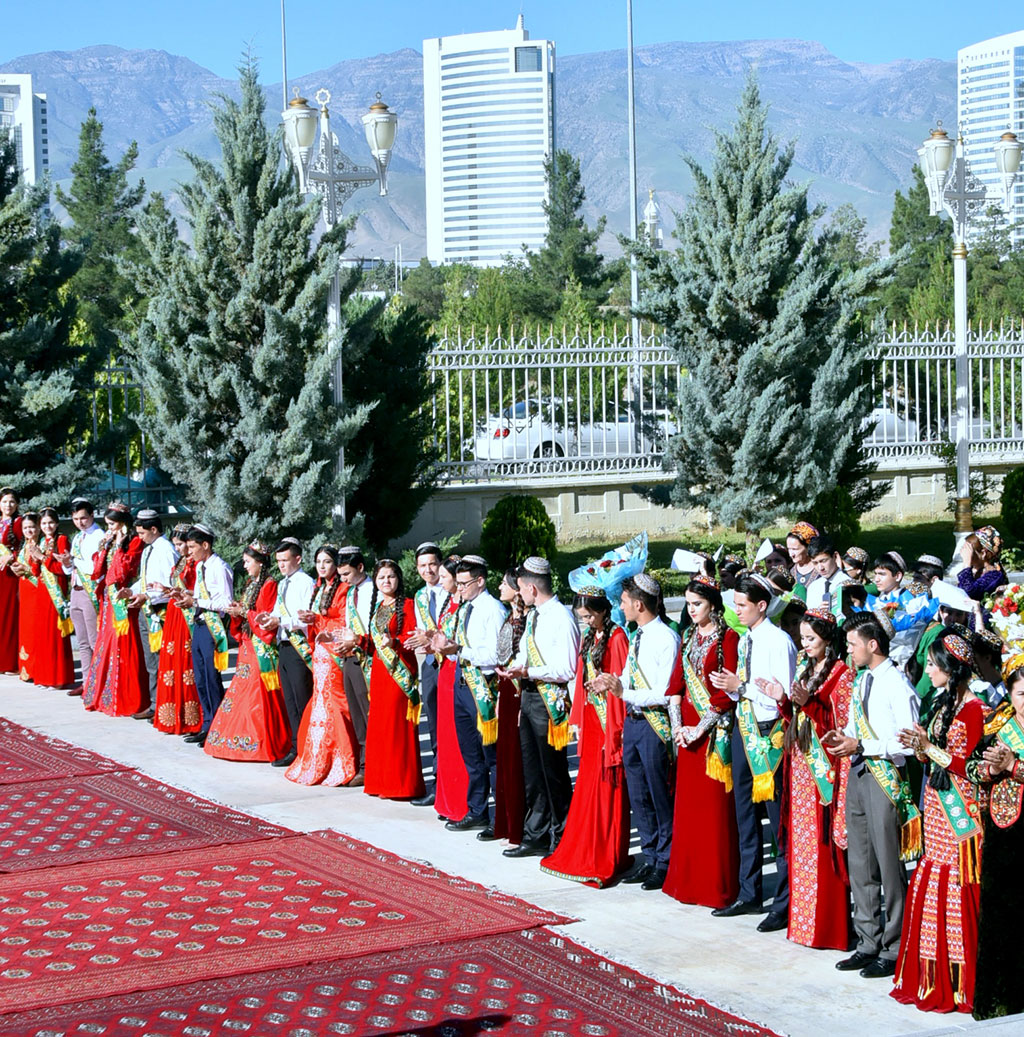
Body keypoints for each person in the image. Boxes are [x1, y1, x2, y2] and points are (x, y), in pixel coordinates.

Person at [823, 610, 920, 980]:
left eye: (853, 644)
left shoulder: (897, 684)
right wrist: (843, 737)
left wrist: (864, 744)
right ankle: (867, 940)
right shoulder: (862, 680)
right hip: (859, 772)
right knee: (860, 862)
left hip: (885, 777)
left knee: (888, 865)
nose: (849, 650)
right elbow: (854, 726)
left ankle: (894, 946)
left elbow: (909, 742)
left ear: (873, 644)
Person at [891, 630, 984, 1013]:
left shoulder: (976, 710)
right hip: (936, 807)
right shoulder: (942, 703)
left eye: (932, 664)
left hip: (960, 814)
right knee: (933, 883)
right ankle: (931, 977)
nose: (927, 670)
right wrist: (920, 746)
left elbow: (972, 768)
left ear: (951, 667)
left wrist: (930, 748)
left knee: (956, 889)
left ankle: (961, 984)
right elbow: (933, 756)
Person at [763, 608, 853, 949]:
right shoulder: (807, 668)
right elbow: (797, 719)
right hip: (800, 768)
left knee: (822, 846)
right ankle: (802, 923)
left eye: (811, 638)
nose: (805, 644)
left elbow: (838, 727)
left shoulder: (842, 674)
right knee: (801, 846)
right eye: (802, 638)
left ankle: (826, 927)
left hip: (823, 773)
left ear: (827, 639)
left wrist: (809, 704)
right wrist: (783, 701)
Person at [710, 573, 796, 931]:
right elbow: (743, 689)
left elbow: (783, 697)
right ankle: (749, 892)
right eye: (735, 604)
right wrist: (730, 688)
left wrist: (741, 686)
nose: (737, 611)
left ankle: (785, 901)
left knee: (777, 821)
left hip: (769, 734)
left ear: (762, 605)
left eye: (742, 605)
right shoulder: (746, 639)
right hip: (744, 728)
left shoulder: (779, 641)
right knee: (744, 814)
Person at [588, 573, 678, 890]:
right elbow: (627, 675)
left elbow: (665, 692)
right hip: (634, 722)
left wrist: (623, 692)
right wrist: (609, 682)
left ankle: (665, 861)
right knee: (638, 795)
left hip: (654, 724)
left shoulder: (666, 638)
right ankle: (650, 856)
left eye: (625, 601)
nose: (621, 606)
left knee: (658, 794)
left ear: (639, 604)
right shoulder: (637, 634)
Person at [541, 585, 630, 886]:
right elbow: (581, 679)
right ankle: (584, 846)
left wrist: (615, 731)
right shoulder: (591, 637)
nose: (586, 621)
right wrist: (577, 719)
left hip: (609, 722)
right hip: (592, 721)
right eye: (582, 617)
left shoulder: (617, 638)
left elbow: (619, 688)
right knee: (588, 785)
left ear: (603, 610)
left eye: (590, 616)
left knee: (607, 788)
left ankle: (607, 853)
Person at [664, 575, 740, 909]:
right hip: (687, 734)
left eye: (698, 604)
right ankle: (687, 881)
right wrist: (678, 728)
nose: (692, 610)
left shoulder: (729, 638)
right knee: (689, 812)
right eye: (688, 604)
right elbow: (675, 686)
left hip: (714, 735)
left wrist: (699, 729)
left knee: (714, 813)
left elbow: (726, 694)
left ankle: (714, 886)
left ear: (713, 604)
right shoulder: (688, 636)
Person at [498, 556, 580, 858]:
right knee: (532, 771)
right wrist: (516, 668)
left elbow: (567, 668)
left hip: (550, 702)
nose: (519, 594)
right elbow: (525, 652)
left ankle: (562, 835)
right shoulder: (534, 616)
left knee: (553, 773)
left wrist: (529, 671)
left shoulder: (561, 617)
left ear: (532, 588)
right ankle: (536, 833)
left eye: (521, 588)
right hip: (530, 696)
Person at [425, 555, 505, 830]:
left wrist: (459, 650)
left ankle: (500, 816)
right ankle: (476, 810)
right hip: (461, 683)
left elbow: (495, 655)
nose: (459, 589)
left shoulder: (493, 609)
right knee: (471, 755)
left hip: (482, 686)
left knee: (490, 755)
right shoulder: (466, 607)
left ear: (480, 581)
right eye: (457, 583)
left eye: (464, 583)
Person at [965, 655, 1024, 1020]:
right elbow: (972, 767)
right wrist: (990, 768)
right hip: (1006, 833)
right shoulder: (998, 728)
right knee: (1003, 915)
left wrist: (1013, 766)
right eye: (1021, 693)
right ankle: (1001, 1001)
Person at [205, 541, 291, 763]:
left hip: (259, 647)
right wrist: (238, 611)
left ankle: (261, 743)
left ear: (260, 563)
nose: (244, 566)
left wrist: (243, 612)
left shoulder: (269, 585)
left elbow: (264, 616)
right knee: (243, 689)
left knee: (257, 692)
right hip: (247, 644)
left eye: (247, 561)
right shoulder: (252, 584)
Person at [286, 545, 359, 787]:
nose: (322, 566)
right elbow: (321, 619)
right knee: (320, 701)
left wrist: (318, 620)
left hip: (335, 653)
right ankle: (320, 757)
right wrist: (312, 619)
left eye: (327, 561)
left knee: (336, 702)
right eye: (318, 561)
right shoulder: (320, 588)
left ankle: (342, 758)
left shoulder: (343, 588)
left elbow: (345, 620)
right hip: (320, 652)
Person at [357, 559, 423, 800]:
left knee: (397, 726)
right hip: (379, 673)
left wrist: (394, 642)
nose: (386, 581)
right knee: (380, 726)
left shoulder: (407, 605)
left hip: (399, 672)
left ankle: (400, 785)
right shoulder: (378, 607)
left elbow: (411, 638)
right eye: (382, 577)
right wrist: (357, 640)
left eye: (391, 577)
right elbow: (374, 643)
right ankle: (380, 782)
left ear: (398, 579)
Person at [407, 556, 467, 822]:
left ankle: (461, 797)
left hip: (457, 671)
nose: (438, 579)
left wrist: (432, 639)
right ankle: (443, 790)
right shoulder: (431, 599)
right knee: (438, 730)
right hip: (438, 667)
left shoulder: (462, 604)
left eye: (443, 575)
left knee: (458, 737)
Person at [82, 501, 148, 716]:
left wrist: (119, 546)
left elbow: (122, 572)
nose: (109, 528)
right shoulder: (110, 540)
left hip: (124, 597)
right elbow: (97, 570)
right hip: (108, 598)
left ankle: (126, 697)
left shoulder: (135, 542)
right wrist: (104, 549)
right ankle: (104, 694)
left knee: (124, 643)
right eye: (107, 524)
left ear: (123, 523)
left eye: (112, 524)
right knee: (106, 641)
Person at [258, 538, 316, 767]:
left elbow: (306, 619)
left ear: (298, 559)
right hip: (283, 644)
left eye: (285, 560)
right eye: (278, 561)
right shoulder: (282, 584)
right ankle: (295, 747)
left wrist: (280, 620)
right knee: (289, 701)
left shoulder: (306, 583)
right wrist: (268, 619)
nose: (281, 565)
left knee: (302, 699)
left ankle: (308, 748)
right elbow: (276, 612)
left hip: (298, 647)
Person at [173, 524, 233, 746]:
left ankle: (217, 725)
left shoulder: (220, 567)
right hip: (199, 624)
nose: (189, 552)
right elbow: (202, 595)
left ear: (205, 545)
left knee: (211, 677)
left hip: (212, 625)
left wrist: (196, 601)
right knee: (200, 677)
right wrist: (186, 594)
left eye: (192, 547)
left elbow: (225, 602)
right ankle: (207, 722)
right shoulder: (201, 567)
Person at [483, 568, 527, 844]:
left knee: (517, 760)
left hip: (520, 692)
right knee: (505, 758)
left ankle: (519, 825)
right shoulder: (510, 617)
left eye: (504, 583)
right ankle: (506, 822)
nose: (500, 587)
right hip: (506, 690)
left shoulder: (528, 620)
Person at [128, 510, 179, 720]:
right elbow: (146, 579)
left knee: (160, 660)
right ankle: (155, 703)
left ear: (154, 529)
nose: (139, 537)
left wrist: (145, 595)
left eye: (142, 533)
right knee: (151, 660)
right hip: (147, 608)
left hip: (160, 611)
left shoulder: (166, 550)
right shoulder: (150, 549)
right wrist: (131, 591)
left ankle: (163, 704)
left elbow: (168, 585)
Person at [152, 523, 202, 735]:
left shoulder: (197, 564)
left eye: (181, 544)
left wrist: (180, 592)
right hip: (175, 612)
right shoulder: (182, 561)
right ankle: (172, 717)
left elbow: (198, 591)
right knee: (172, 664)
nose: (178, 548)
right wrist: (166, 590)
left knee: (186, 664)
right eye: (176, 544)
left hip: (186, 615)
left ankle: (191, 719)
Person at [410, 542, 446, 807]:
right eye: (422, 566)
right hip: (431, 664)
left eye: (432, 564)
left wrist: (432, 637)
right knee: (433, 723)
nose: (428, 570)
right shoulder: (420, 596)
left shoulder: (452, 591)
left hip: (451, 663)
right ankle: (437, 782)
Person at [335, 546, 373, 779]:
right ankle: (363, 764)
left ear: (360, 567)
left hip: (366, 658)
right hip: (349, 656)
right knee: (356, 715)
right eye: (341, 575)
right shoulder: (350, 593)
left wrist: (356, 641)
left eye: (347, 574)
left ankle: (371, 765)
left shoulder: (373, 591)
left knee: (368, 713)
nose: (344, 579)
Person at [61, 499, 104, 696]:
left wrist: (75, 561)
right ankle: (87, 682)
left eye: (83, 518)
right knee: (82, 641)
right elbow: (70, 569)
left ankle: (99, 683)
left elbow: (96, 568)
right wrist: (67, 563)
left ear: (92, 516)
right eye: (76, 519)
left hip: (90, 591)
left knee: (94, 640)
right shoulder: (78, 537)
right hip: (76, 589)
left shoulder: (99, 536)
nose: (80, 522)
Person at [29, 507, 76, 689]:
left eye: (50, 523)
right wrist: (33, 557)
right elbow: (36, 571)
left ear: (56, 524)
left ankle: (58, 678)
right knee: (43, 634)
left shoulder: (61, 539)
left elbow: (62, 569)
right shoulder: (41, 541)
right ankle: (44, 676)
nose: (47, 526)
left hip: (56, 591)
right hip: (42, 591)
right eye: (43, 523)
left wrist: (42, 557)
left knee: (55, 634)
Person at [11, 511, 43, 683]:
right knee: (26, 629)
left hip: (37, 591)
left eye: (32, 527)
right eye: (25, 528)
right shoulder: (25, 545)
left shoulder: (42, 545)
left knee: (37, 629)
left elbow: (44, 571)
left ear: (39, 527)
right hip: (25, 591)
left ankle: (38, 669)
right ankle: (27, 669)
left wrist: (26, 570)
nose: (29, 531)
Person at [0, 487, 23, 676]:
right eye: (4, 501)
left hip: (9, 576)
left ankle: (9, 662)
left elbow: (27, 545)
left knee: (8, 617)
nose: (8, 505)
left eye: (12, 501)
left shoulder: (19, 523)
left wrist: (12, 556)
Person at [956, 526, 1007, 602]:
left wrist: (966, 563)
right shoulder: (972, 571)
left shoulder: (995, 575)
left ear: (983, 553)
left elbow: (968, 593)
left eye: (969, 551)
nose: (964, 553)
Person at [805, 533, 850, 612]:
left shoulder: (847, 583)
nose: (820, 568)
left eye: (823, 561)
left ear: (835, 556)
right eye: (815, 563)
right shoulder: (813, 588)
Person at [787, 521, 820, 592]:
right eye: (789, 549)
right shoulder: (790, 572)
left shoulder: (821, 570)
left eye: (795, 549)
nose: (791, 554)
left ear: (808, 548)